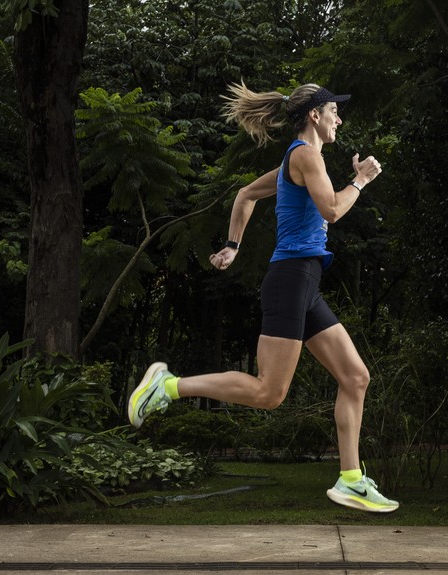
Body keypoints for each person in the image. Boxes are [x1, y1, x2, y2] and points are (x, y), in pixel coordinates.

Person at [128, 81, 398, 513]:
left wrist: (233, 246)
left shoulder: (299, 159)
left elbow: (246, 194)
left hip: (304, 283)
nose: (338, 119)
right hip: (292, 280)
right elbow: (331, 210)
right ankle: (168, 386)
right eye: (333, 111)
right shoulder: (305, 155)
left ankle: (351, 480)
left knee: (355, 377)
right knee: (269, 393)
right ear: (314, 115)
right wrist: (361, 181)